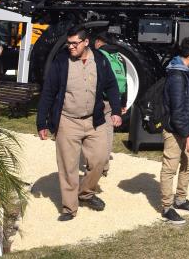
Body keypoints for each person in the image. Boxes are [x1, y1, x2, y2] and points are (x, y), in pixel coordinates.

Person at [37, 27, 122, 221]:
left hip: (95, 120)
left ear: (86, 42)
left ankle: (86, 193)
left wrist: (116, 110)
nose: (71, 47)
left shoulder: (100, 60)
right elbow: (48, 92)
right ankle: (69, 208)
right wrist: (42, 122)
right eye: (69, 43)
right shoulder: (61, 61)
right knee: (68, 166)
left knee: (100, 159)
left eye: (75, 43)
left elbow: (111, 85)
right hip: (67, 121)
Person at [160, 37, 189, 225]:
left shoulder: (184, 72)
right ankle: (167, 208)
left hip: (183, 127)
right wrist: (188, 135)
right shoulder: (177, 76)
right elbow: (177, 111)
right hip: (174, 130)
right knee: (170, 168)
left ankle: (180, 199)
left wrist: (187, 131)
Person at [91, 32, 128, 175]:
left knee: (94, 132)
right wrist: (122, 103)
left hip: (100, 98)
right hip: (114, 100)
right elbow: (124, 80)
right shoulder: (119, 56)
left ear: (99, 41)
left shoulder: (98, 55)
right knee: (108, 132)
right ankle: (104, 166)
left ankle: (96, 164)